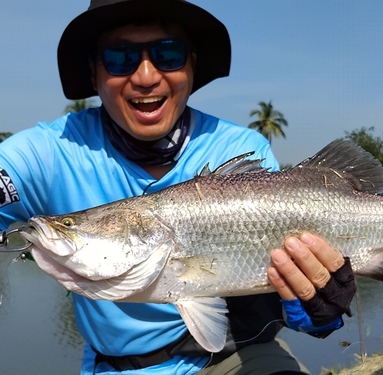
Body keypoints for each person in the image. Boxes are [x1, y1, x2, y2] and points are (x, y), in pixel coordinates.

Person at [0, 0, 356, 374]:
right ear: (93, 73)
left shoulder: (239, 150)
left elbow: (276, 285)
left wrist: (317, 305)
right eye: (121, 57)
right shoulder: (48, 153)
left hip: (231, 357)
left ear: (192, 65)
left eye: (168, 53)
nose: (146, 76)